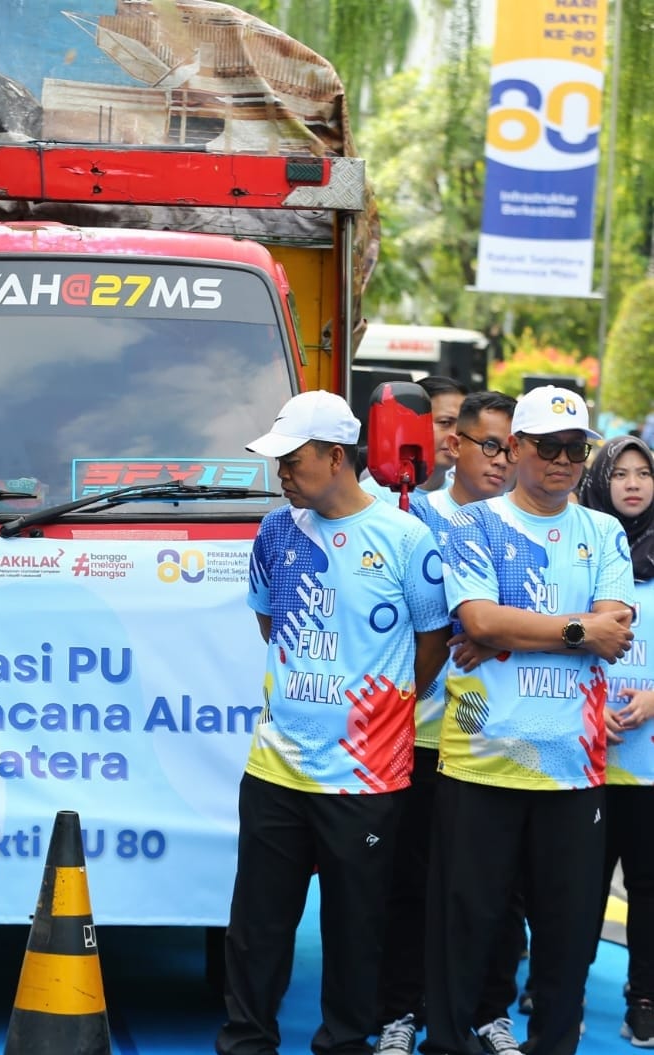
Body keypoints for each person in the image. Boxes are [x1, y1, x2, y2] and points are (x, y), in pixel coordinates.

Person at [216, 390, 451, 1055]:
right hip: (275, 767)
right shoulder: (275, 530)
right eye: (278, 463)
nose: (282, 475)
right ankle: (245, 1042)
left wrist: (385, 704)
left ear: (336, 457)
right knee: (256, 927)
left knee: (355, 929)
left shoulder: (406, 537)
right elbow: (270, 622)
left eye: (293, 461)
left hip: (365, 775)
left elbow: (432, 639)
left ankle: (345, 1043)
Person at [423, 385, 635, 1055]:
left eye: (576, 449)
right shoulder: (472, 524)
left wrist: (511, 632)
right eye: (549, 447)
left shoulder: (602, 530)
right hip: (480, 761)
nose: (564, 460)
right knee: (463, 928)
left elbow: (614, 628)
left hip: (573, 769)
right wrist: (572, 629)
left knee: (565, 939)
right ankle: (447, 1043)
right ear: (515, 447)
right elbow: (479, 620)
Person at [374, 391, 524, 1055]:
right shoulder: (407, 516)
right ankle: (399, 1012)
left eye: (511, 448)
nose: (501, 460)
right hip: (418, 737)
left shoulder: (527, 524)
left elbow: (537, 620)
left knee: (497, 891)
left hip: (501, 738)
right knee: (408, 885)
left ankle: (488, 1013)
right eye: (489, 445)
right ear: (454, 445)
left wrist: (495, 633)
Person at [577, 435, 654, 1047]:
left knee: (649, 888)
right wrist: (588, 708)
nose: (632, 483)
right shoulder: (581, 553)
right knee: (574, 884)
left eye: (644, 473)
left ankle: (645, 998)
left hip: (648, 766)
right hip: (582, 758)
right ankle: (560, 986)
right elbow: (555, 638)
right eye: (620, 473)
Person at [363, 375, 467, 506]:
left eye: (463, 425)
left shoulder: (469, 499)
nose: (456, 436)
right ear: (410, 423)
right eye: (445, 422)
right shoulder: (369, 498)